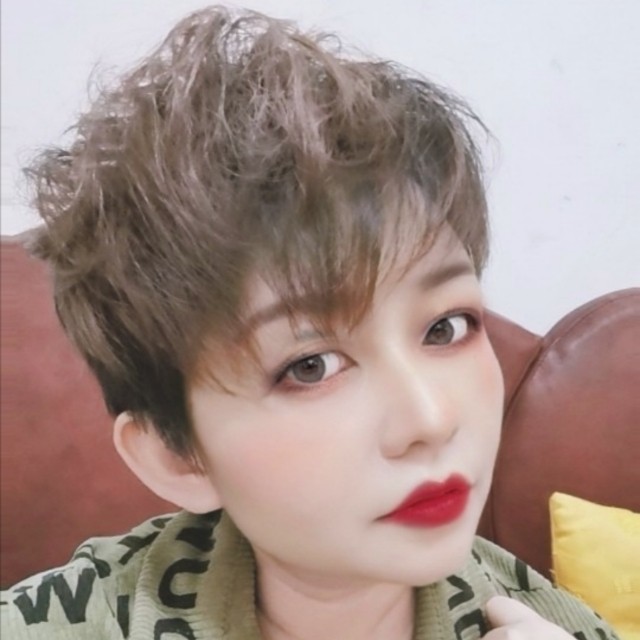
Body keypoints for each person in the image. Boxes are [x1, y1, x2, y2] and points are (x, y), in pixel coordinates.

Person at [0, 6, 620, 639]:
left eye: (446, 328)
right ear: (177, 456)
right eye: (311, 367)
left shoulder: (551, 622)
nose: (431, 420)